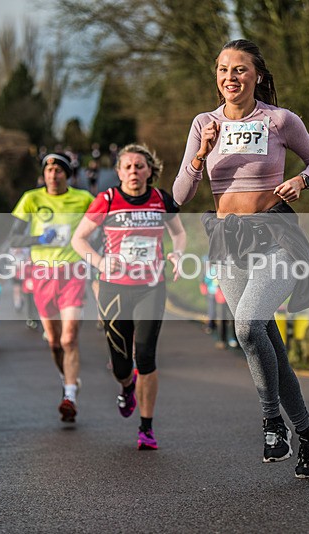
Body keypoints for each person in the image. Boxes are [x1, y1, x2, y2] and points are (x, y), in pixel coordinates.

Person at [173, 39, 309, 478]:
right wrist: (202, 153)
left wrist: (302, 180)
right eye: (223, 70)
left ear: (257, 75)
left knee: (245, 326)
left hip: (275, 236)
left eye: (240, 70)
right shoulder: (204, 123)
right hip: (228, 243)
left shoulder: (279, 120)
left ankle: (271, 420)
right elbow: (180, 195)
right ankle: (307, 432)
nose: (230, 78)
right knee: (266, 343)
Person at [72, 143, 186, 450]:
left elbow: (178, 233)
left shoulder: (161, 199)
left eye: (139, 166)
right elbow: (78, 239)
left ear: (150, 170)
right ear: (119, 171)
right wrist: (98, 262)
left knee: (146, 356)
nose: (133, 171)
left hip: (151, 285)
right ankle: (126, 386)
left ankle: (146, 428)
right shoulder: (107, 200)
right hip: (114, 287)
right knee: (121, 364)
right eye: (127, 167)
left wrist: (177, 254)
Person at [10, 152, 94, 423]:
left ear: (66, 175)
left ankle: (69, 395)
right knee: (55, 343)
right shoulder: (31, 199)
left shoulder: (83, 199)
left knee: (69, 338)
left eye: (58, 171)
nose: (53, 175)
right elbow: (14, 237)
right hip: (43, 274)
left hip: (73, 273)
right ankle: (68, 379)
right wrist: (38, 238)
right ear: (43, 175)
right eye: (48, 171)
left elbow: (103, 227)